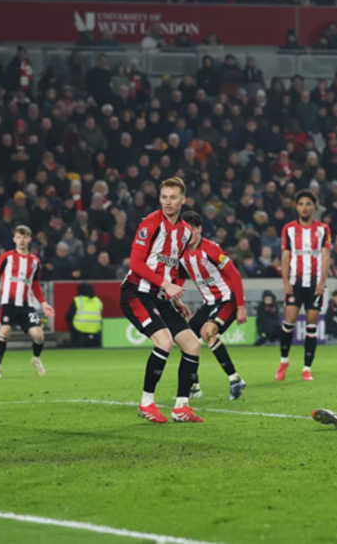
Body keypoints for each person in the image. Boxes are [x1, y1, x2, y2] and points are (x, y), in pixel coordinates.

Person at [121, 177, 204, 423]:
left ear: (183, 200)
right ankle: (146, 402)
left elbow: (173, 267)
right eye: (164, 197)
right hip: (136, 292)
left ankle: (181, 407)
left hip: (159, 297)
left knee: (192, 344)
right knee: (164, 342)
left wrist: (175, 297)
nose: (167, 202)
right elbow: (135, 263)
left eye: (173, 197)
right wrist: (166, 285)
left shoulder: (186, 232)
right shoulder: (150, 224)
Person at [179, 211, 247, 401]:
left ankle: (235, 379)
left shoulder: (211, 249)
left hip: (227, 299)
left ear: (199, 229)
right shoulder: (181, 253)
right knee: (185, 338)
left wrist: (241, 307)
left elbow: (235, 276)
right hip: (209, 303)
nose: (188, 233)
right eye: (185, 230)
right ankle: (194, 385)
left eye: (192, 229)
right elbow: (179, 276)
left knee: (207, 331)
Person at [0, 225, 56, 378]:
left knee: (38, 335)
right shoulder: (6, 257)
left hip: (26, 305)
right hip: (8, 303)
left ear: (29, 239)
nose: (22, 240)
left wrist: (43, 303)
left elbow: (35, 285)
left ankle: (36, 359)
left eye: (25, 237)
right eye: (19, 237)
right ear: (14, 239)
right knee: (4, 331)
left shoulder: (35, 262)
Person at [277, 190, 332, 382]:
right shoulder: (289, 229)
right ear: (296, 206)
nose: (305, 207)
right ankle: (284, 361)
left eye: (308, 204)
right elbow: (285, 257)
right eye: (301, 204)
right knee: (289, 321)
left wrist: (322, 283)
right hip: (295, 282)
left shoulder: (323, 229)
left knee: (311, 324)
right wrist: (285, 282)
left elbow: (325, 256)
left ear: (314, 207)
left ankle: (307, 368)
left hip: (314, 284)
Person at [65, 282, 103, 348]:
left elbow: (69, 315)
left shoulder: (78, 300)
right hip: (96, 328)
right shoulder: (98, 300)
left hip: (80, 328)